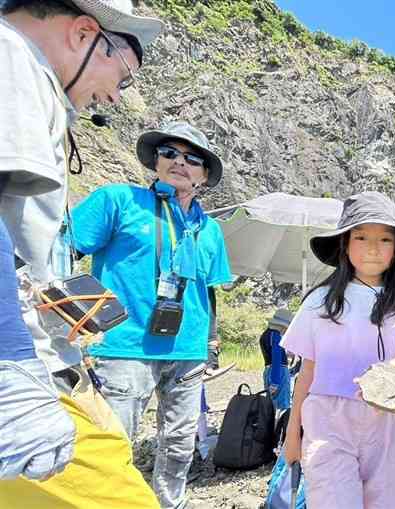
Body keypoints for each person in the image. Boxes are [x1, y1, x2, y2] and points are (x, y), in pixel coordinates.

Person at [0, 1, 164, 507]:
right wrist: (11, 369)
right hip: (27, 373)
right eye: (125, 76)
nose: (116, 95)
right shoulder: (12, 57)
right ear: (85, 33)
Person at [70, 121, 233, 509]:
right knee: (112, 441)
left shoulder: (209, 229)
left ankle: (169, 503)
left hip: (188, 350)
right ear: (155, 160)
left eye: (193, 159)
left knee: (178, 445)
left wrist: (210, 341)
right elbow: (63, 249)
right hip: (125, 345)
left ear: (205, 174)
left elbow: (208, 291)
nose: (180, 162)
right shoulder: (117, 201)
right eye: (170, 153)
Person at [280, 191, 395, 509]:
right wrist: (293, 433)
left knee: (387, 500)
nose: (373, 248)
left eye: (385, 239)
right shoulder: (319, 302)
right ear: (345, 245)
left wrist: (391, 369)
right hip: (327, 420)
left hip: (386, 420)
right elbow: (307, 371)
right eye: (361, 237)